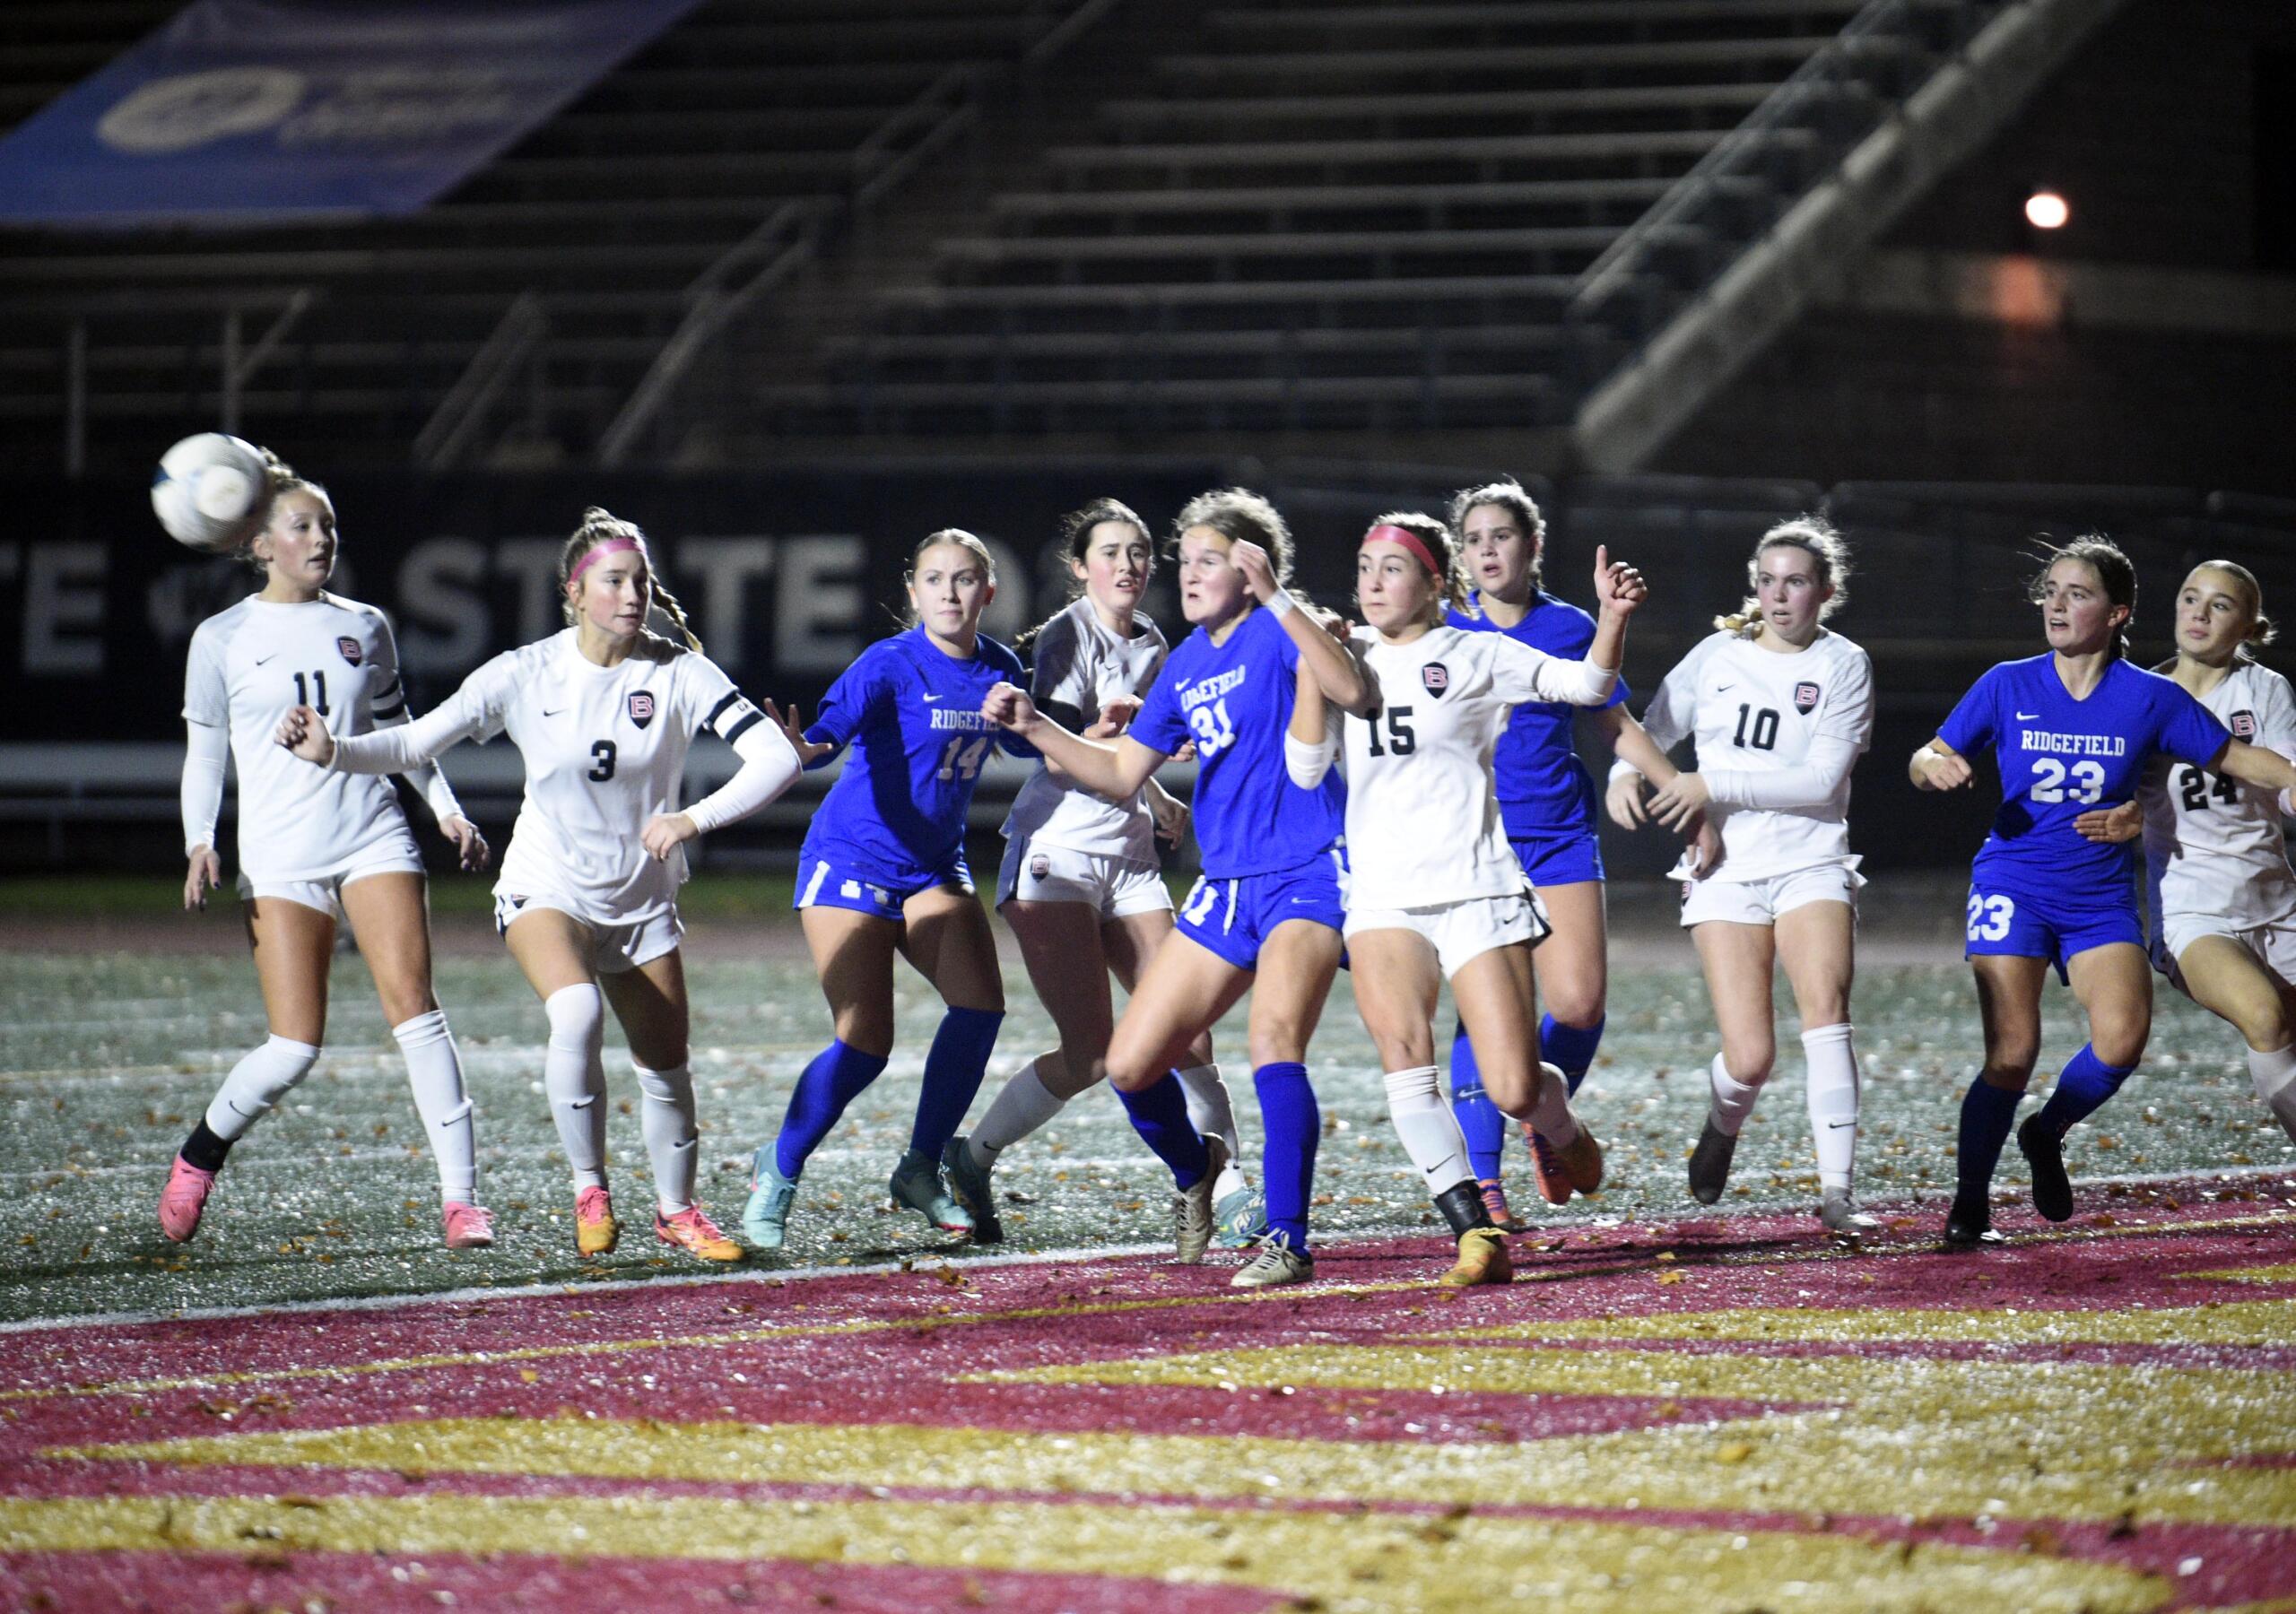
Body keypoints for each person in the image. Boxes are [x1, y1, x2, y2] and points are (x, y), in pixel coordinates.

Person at [279, 508, 802, 1263]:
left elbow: (776, 761)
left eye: (641, 582)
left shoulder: (680, 671)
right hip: (544, 884)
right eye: (614, 581)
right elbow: (414, 741)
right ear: (575, 591)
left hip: (642, 898)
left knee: (666, 1066)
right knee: (578, 1010)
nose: (632, 595)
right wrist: (334, 750)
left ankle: (677, 1211)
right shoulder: (525, 673)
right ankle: (590, 1188)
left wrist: (691, 819)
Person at [981, 489, 1370, 1289]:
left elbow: (1353, 689)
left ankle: (1287, 1241)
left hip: (1304, 871)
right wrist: (1033, 726)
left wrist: (1280, 597)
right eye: (1184, 560)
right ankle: (1200, 1171)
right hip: (1226, 886)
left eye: (1206, 560)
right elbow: (1123, 770)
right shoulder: (1187, 660)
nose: (1186, 574)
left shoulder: (1281, 629)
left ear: (1252, 566)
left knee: (1272, 1044)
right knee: (1131, 1064)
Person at [1911, 537, 2296, 1246]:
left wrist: (2293, 777)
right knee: (2012, 1050)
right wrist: (1929, 764)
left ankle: (2047, 1130)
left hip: (2098, 896)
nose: (2057, 604)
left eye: (2077, 593)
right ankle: (1970, 1206)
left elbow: (2240, 760)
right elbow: (1932, 751)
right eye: (2051, 591)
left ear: (2118, 612)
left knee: (2121, 1042)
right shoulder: (2007, 681)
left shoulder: (2152, 698)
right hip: (2015, 882)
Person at [1293, 511, 1643, 1286]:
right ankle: (1474, 1232)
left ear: (1434, 583)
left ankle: (1559, 1126)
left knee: (1515, 1085)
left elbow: (1589, 685)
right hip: (1384, 896)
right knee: (1405, 1060)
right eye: (1363, 566)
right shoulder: (1342, 659)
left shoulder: (1477, 653)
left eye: (1391, 569)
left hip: (1476, 889)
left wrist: (1612, 620)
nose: (1372, 584)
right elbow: (1309, 771)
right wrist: (1305, 672)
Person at [163, 450, 494, 1251]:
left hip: (372, 834)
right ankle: (199, 1156)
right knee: (292, 1047)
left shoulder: (365, 625)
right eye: (302, 526)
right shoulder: (222, 638)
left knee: (415, 1011)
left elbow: (398, 733)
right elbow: (206, 754)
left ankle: (462, 1202)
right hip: (280, 855)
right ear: (258, 543)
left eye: (328, 526)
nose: (321, 539)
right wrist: (200, 840)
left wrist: (444, 810)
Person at [948, 499, 1260, 1245]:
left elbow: (1129, 754)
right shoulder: (1065, 635)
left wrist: (1154, 794)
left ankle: (1227, 1186)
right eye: (1111, 552)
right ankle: (973, 1157)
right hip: (1058, 853)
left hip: (1129, 855)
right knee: (1090, 1053)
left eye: (1140, 552)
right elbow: (1051, 746)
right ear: (1081, 567)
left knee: (1190, 1033)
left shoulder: (1155, 640)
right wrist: (1110, 746)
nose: (1128, 565)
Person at [741, 530, 1031, 1253]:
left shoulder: (1000, 668)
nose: (950, 593)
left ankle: (920, 1168)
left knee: (980, 1007)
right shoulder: (890, 662)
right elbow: (829, 733)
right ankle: (776, 1170)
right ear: (913, 591)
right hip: (852, 861)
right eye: (935, 579)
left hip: (934, 867)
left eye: (965, 580)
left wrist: (1089, 733)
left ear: (988, 592)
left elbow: (1031, 745)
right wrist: (804, 749)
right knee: (865, 1042)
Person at [1609, 517, 1878, 1234]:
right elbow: (1653, 724)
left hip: (1810, 858)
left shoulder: (1843, 664)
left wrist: (1708, 782)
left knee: (1827, 1012)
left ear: (1825, 591)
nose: (1780, 595)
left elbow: (1821, 780)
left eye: (1796, 582)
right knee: (1750, 1057)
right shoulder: (1719, 654)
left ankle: (1838, 1197)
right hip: (1723, 865)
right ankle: (1723, 1122)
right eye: (1767, 581)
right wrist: (1619, 773)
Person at [1441, 478, 1695, 1226]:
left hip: (1556, 835)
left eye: (1502, 536)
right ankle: (1483, 1190)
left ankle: (1546, 1120)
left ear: (1534, 546)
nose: (1488, 550)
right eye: (1475, 538)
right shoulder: (1443, 628)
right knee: (1482, 1013)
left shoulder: (1566, 625)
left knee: (1579, 1006)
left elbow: (1610, 719)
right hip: (1474, 843)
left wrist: (1679, 789)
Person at [2126, 563, 2296, 1145]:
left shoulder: (2264, 690)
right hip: (2195, 915)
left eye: (2220, 605)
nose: (2199, 613)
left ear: (2249, 625)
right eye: (2190, 597)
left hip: (2277, 904)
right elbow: (2110, 794)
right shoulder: (2138, 697)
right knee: (2265, 1016)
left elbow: (2288, 781)